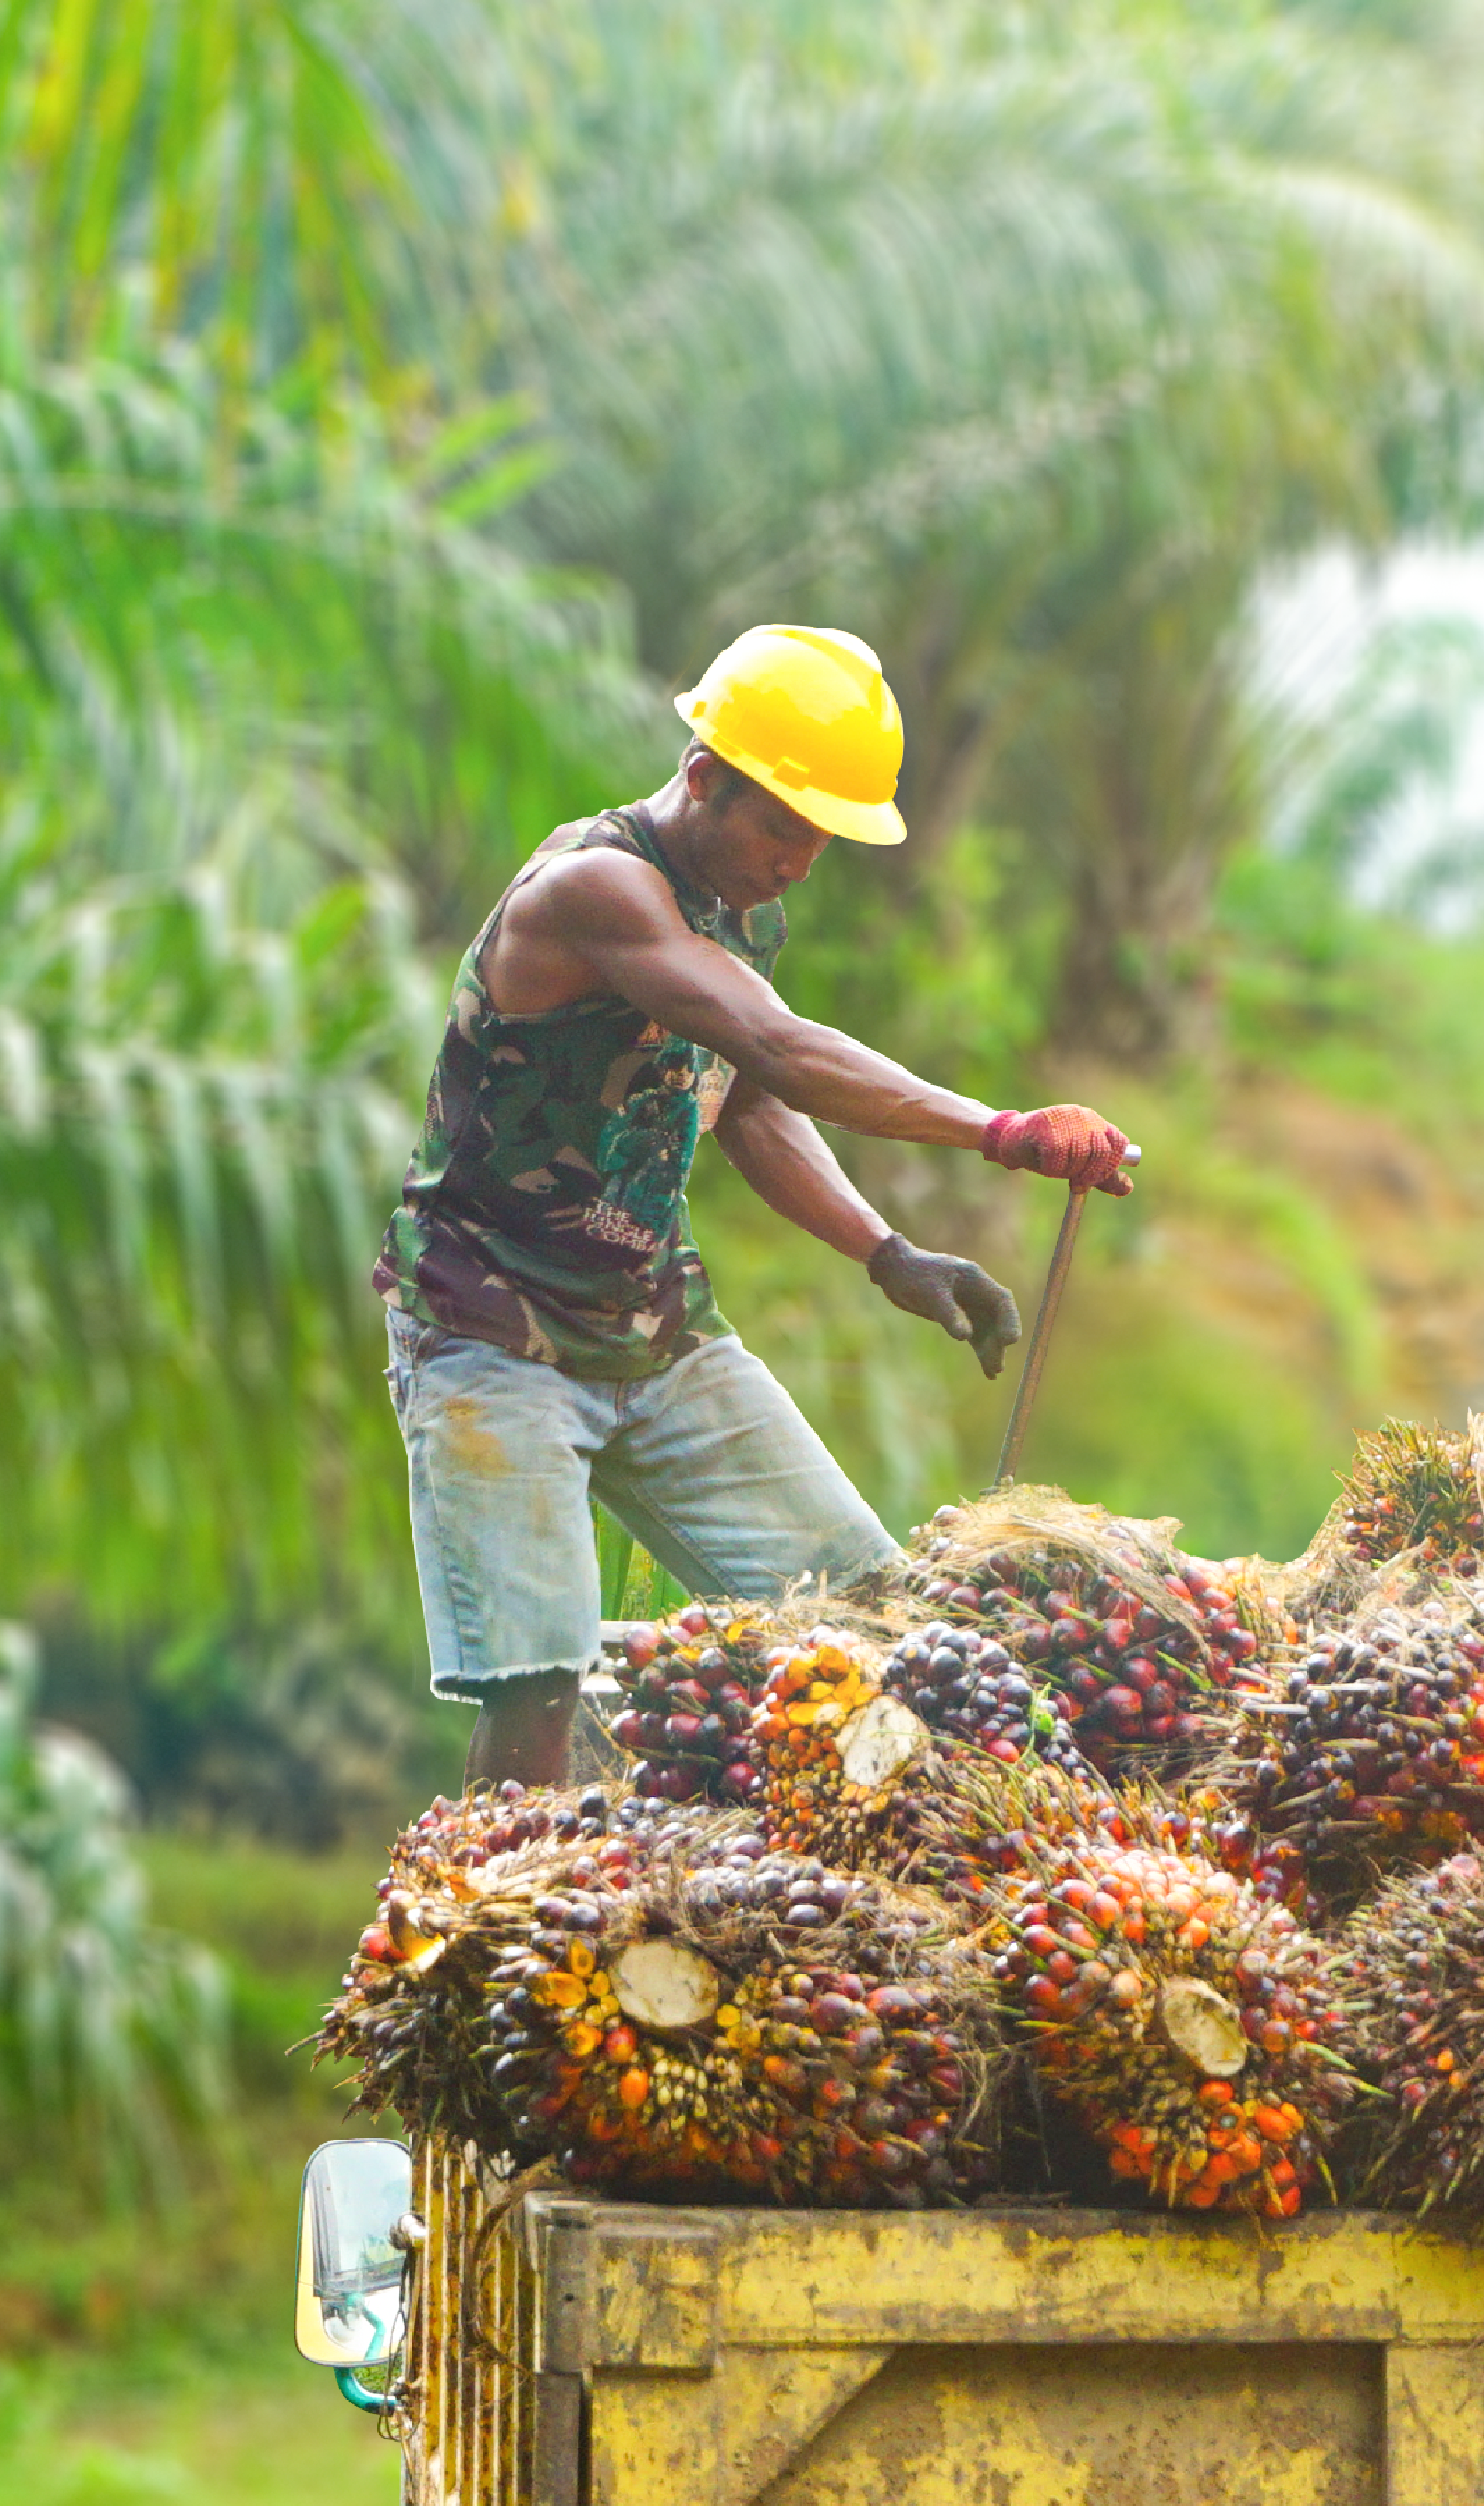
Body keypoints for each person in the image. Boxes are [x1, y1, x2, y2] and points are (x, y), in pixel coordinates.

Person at [379, 624, 1139, 1785]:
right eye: (782, 824)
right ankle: (503, 1912)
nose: (798, 859)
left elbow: (739, 1101)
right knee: (537, 1682)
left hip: (653, 1329)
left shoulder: (737, 908)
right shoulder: (596, 887)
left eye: (821, 837)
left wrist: (887, 1251)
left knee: (872, 1619)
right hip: (489, 1329)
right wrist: (1000, 1132)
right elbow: (776, 1047)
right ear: (700, 782)